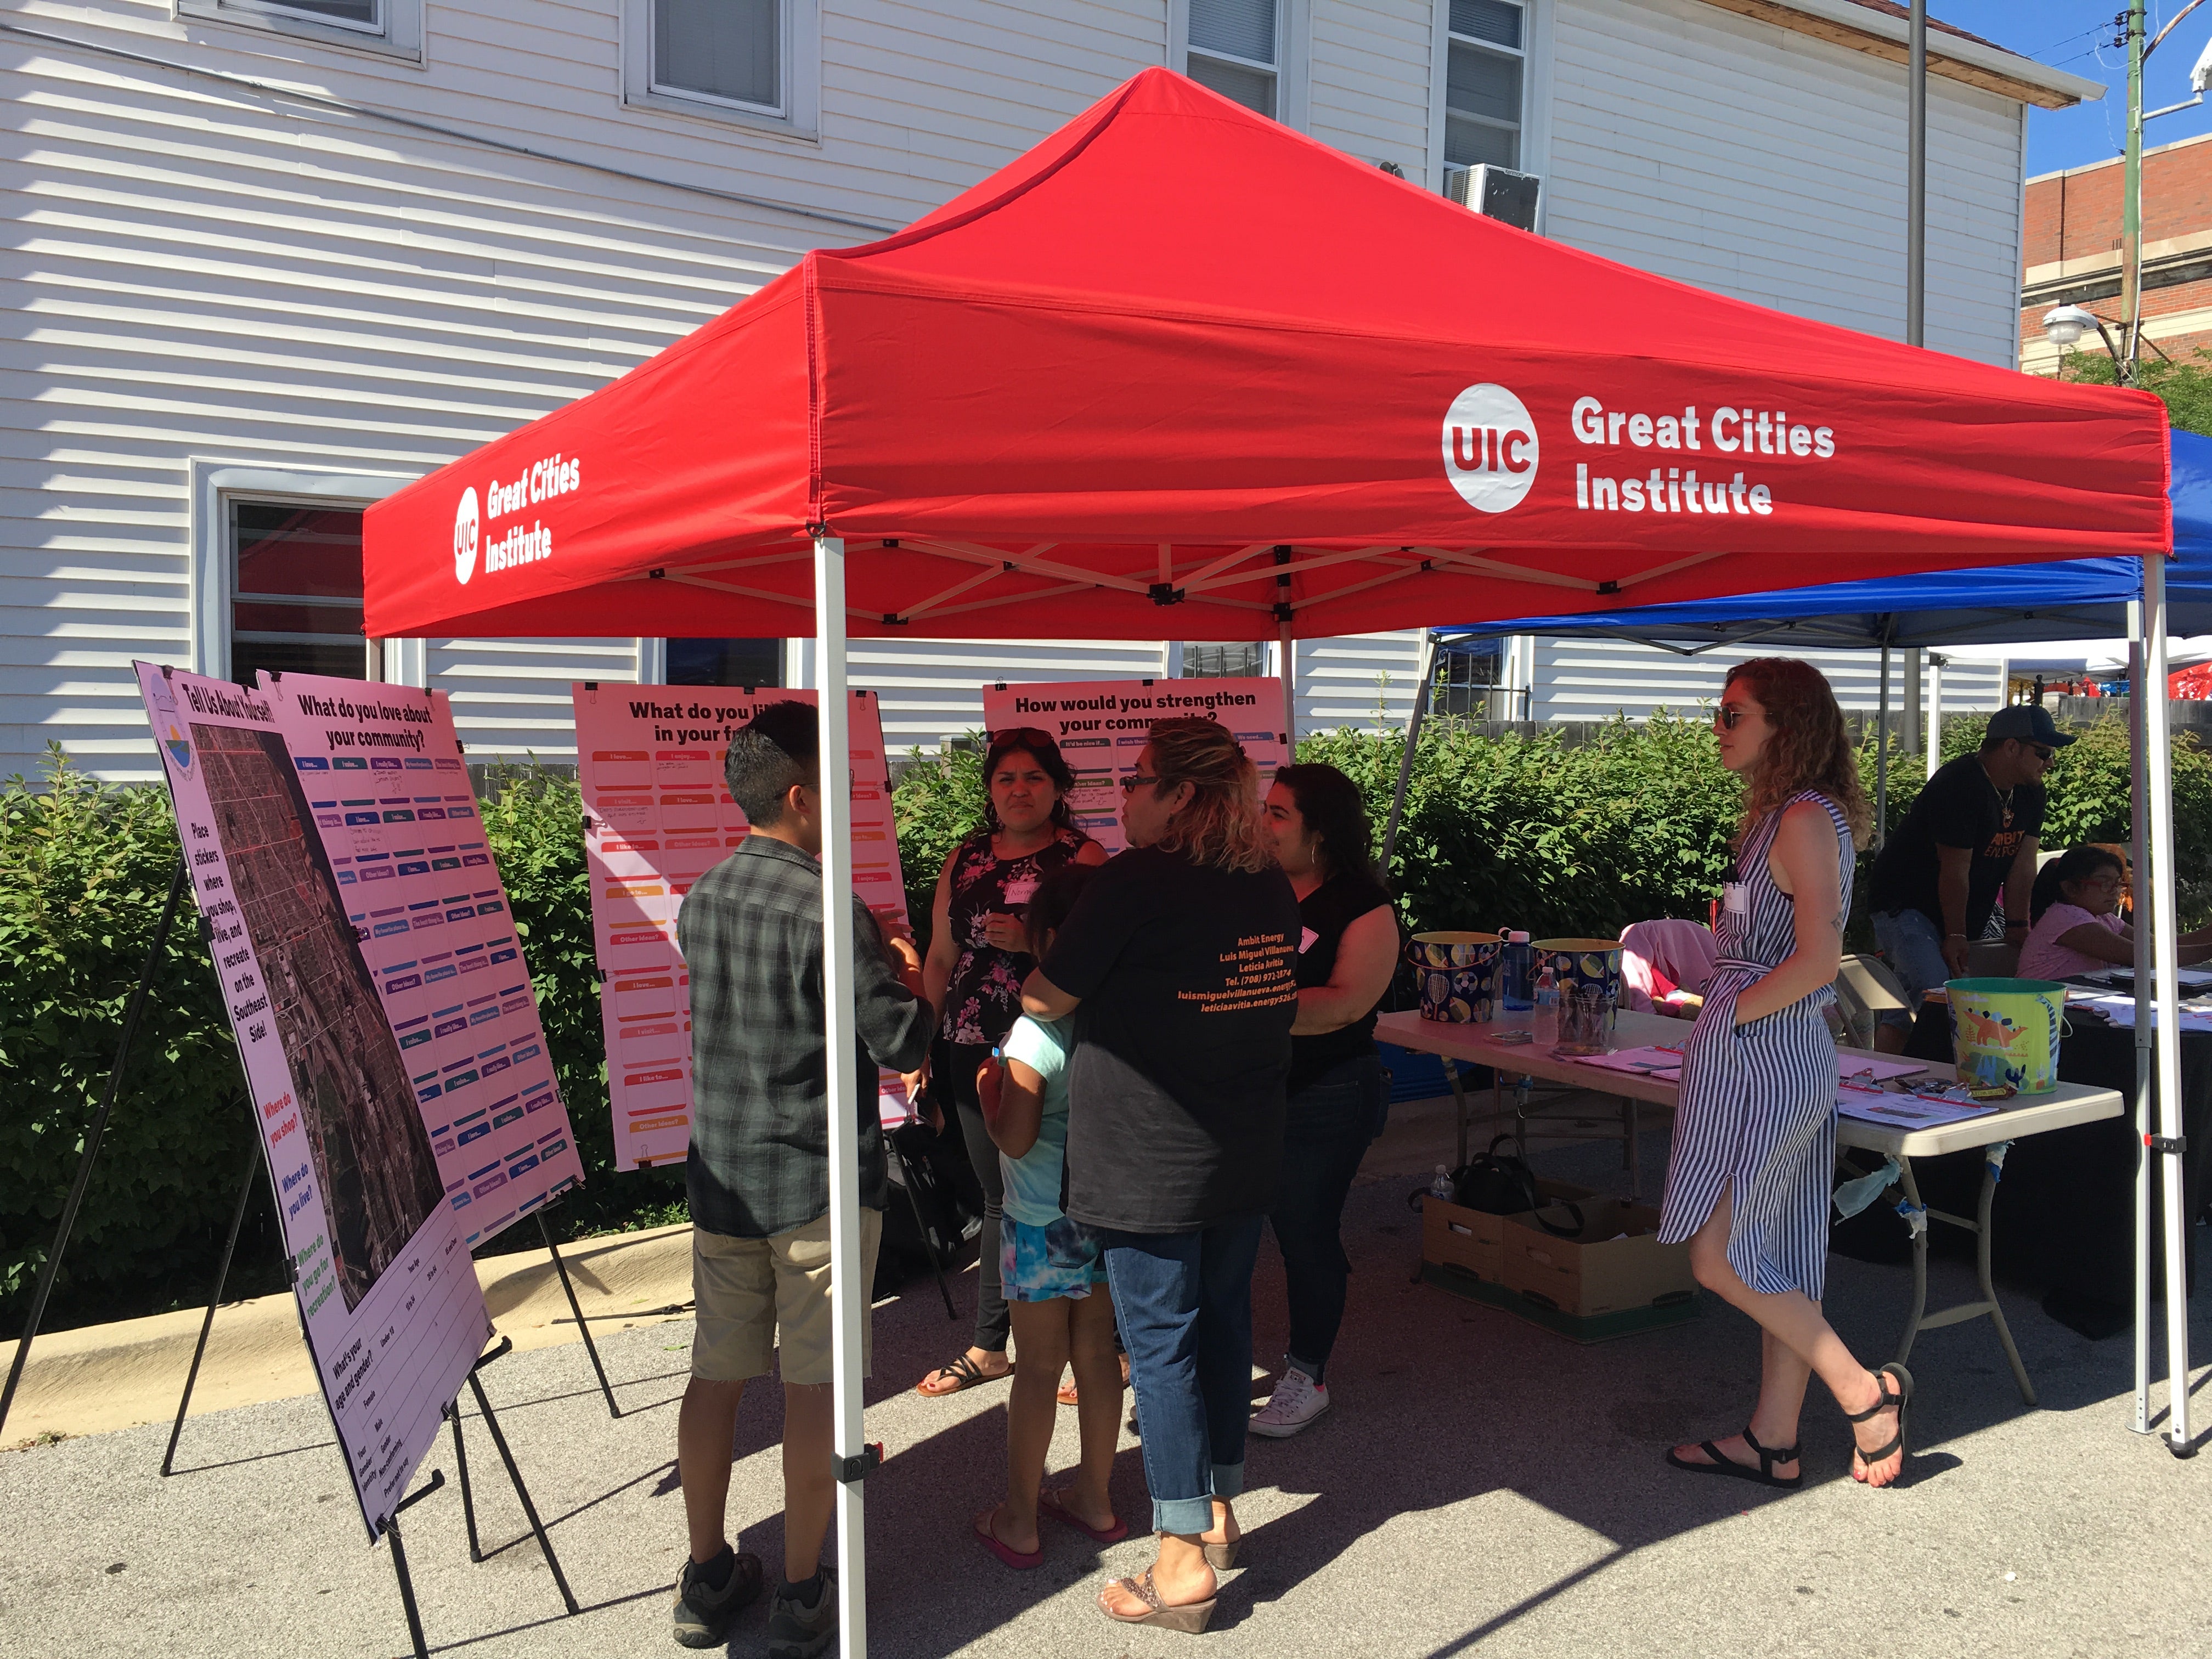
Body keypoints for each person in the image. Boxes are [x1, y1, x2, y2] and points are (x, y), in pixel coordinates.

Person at [1022, 716, 1300, 1633]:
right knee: (1220, 1326)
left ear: (1182, 795)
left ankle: (1179, 1558)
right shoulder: (1266, 880)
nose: (1123, 797)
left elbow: (1045, 995)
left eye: (1137, 779)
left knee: (1163, 1346)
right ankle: (1217, 1504)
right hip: (1241, 1146)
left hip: (1148, 1156)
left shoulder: (1133, 880)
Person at [670, 701, 936, 1656]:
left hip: (724, 1181)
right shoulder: (833, 906)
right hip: (819, 1184)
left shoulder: (699, 897)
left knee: (717, 1372)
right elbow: (900, 1038)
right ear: (798, 794)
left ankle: (706, 1574)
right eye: (836, 787)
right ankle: (799, 1586)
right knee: (816, 1387)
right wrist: (912, 963)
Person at [1658, 659, 1913, 1492]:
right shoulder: (1786, 815)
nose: (1719, 727)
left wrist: (1731, 1014)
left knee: (1721, 1257)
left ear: (1785, 724)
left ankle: (1863, 1394)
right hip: (1771, 1045)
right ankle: (1774, 1439)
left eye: (1734, 713)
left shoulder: (1802, 819)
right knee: (1780, 1249)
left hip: (1763, 1052)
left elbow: (1816, 960)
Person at [916, 729, 1106, 1398]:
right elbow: (939, 957)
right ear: (990, 789)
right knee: (999, 1193)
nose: (1019, 790)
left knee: (1078, 1185)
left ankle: (1100, 1342)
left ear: (1058, 787)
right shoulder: (964, 857)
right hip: (972, 1041)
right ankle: (990, 1345)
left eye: (1033, 777)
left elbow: (1101, 960)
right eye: (1005, 779)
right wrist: (922, 1041)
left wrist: (1029, 946)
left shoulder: (1082, 856)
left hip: (1059, 1038)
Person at [970, 862, 1127, 1568]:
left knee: (1038, 1369)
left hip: (1039, 1221)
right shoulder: (1116, 1017)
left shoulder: (1034, 1035)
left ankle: (1020, 1517)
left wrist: (986, 1092)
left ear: (1054, 941)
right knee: (1098, 1356)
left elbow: (1016, 1137)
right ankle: (1095, 1497)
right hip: (1103, 1208)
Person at [1248, 764, 1399, 1438]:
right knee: (1228, 1232)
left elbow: (1345, 1004)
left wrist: (1243, 1007)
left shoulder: (1362, 906)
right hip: (1248, 1087)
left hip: (1327, 1092)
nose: (1264, 823)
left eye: (1280, 814)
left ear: (1322, 830)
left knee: (1306, 1234)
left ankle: (1307, 1376)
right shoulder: (1252, 888)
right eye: (1266, 809)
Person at [1864, 703, 2071, 1052]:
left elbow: (2023, 864)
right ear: (2010, 747)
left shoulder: (2031, 791)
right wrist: (1957, 933)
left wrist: (2019, 925)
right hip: (1906, 905)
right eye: (2043, 752)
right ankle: (1947, 1087)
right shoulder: (1959, 784)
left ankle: (1883, 1080)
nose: (2050, 763)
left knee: (1906, 1007)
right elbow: (1954, 870)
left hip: (1955, 910)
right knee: (1943, 997)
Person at [2018, 844, 2212, 979]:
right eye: (2104, 883)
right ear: (2070, 888)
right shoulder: (2067, 918)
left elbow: (2158, 945)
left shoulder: (2105, 918)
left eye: (2118, 884)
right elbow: (2144, 956)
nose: (2115, 891)